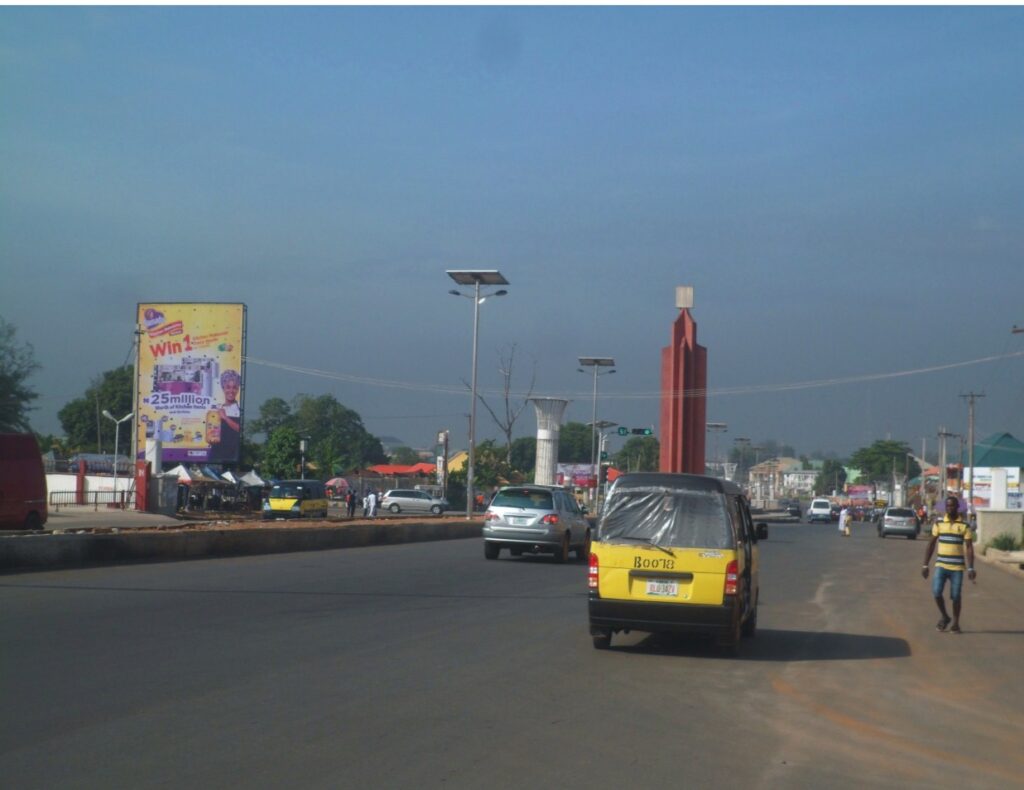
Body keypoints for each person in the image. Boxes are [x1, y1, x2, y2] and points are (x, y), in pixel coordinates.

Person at [922, 495, 976, 633]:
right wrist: (925, 565)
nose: (950, 508)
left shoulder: (964, 525)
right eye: (948, 506)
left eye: (952, 505)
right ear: (945, 507)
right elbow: (931, 544)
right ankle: (945, 616)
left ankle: (956, 624)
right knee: (936, 592)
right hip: (941, 565)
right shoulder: (939, 523)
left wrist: (971, 567)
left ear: (957, 507)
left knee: (956, 596)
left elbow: (969, 547)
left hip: (957, 567)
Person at [209, 369, 241, 462]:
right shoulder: (217, 408)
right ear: (223, 388)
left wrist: (226, 418)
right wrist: (211, 438)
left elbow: (240, 429)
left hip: (232, 455)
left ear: (238, 389)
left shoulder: (239, 408)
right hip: (215, 454)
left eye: (234, 387)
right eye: (228, 387)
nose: (231, 391)